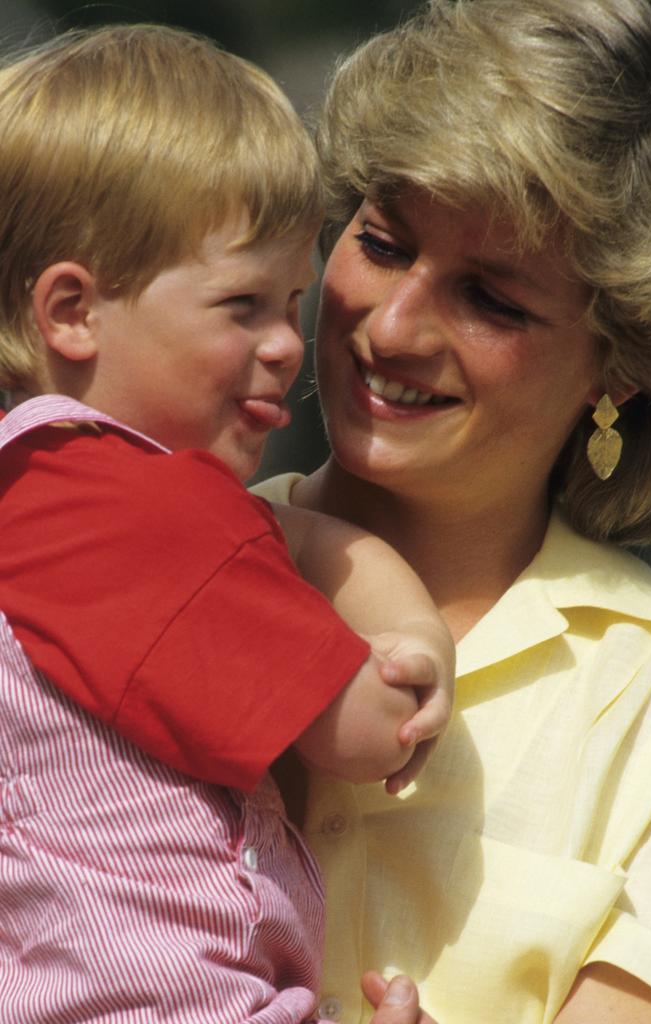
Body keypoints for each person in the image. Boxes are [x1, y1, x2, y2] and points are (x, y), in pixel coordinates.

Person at [253, 0, 651, 1021]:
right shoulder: (119, 553)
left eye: (493, 299)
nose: (391, 328)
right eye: (386, 244)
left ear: (622, 363)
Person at [0, 25, 453, 1024]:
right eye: (242, 304)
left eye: (292, 301)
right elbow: (367, 727)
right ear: (71, 310)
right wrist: (414, 650)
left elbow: (278, 538)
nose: (288, 344)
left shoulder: (36, 497)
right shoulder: (150, 511)